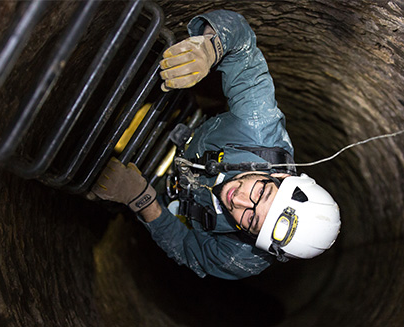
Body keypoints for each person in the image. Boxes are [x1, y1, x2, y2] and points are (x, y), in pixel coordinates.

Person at [92, 10, 340, 280]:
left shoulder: (242, 257)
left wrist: (140, 199)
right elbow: (244, 47)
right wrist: (210, 47)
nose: (241, 201)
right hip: (185, 138)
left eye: (252, 221)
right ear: (280, 176)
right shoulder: (257, 127)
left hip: (164, 197)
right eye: (261, 193)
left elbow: (188, 250)